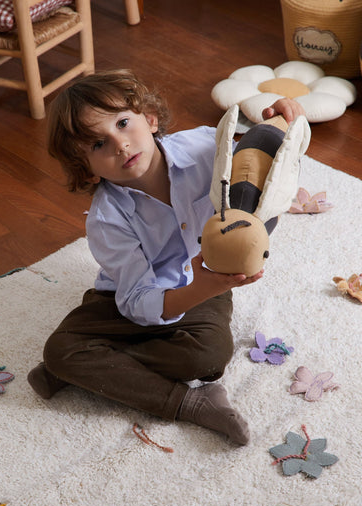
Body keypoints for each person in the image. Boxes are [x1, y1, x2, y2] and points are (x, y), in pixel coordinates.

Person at [28, 69, 307, 446]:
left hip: (206, 282)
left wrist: (282, 123)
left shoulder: (206, 148)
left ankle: (90, 370)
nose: (120, 145)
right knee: (60, 350)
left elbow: (260, 168)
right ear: (87, 172)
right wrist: (197, 290)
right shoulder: (106, 220)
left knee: (209, 357)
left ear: (150, 118)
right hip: (126, 298)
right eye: (98, 144)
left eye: (123, 123)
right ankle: (190, 403)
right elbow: (135, 300)